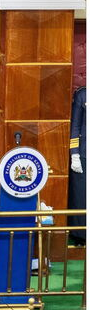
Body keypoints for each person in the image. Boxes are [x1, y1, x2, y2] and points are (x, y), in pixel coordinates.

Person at [69, 86, 86, 246]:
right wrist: (74, 153)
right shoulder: (83, 95)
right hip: (84, 154)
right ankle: (81, 234)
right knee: (81, 196)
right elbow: (74, 126)